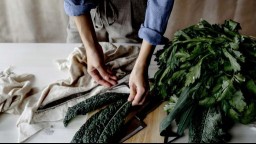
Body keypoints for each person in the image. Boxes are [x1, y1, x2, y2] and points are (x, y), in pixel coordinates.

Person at [64, 0, 174, 106]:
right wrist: (90, 48)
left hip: (129, 8)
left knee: (131, 63)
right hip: (81, 9)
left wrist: (141, 65)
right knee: (74, 70)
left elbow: (160, 3)